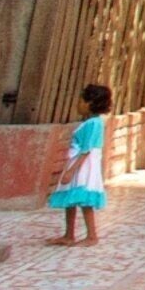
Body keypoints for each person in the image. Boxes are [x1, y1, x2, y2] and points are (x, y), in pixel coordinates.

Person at [49, 83, 113, 244]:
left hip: (84, 165)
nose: (78, 105)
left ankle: (92, 236)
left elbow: (86, 150)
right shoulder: (91, 122)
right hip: (77, 162)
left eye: (81, 101)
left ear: (90, 103)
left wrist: (71, 171)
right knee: (70, 198)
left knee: (85, 199)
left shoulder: (93, 124)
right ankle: (68, 235)